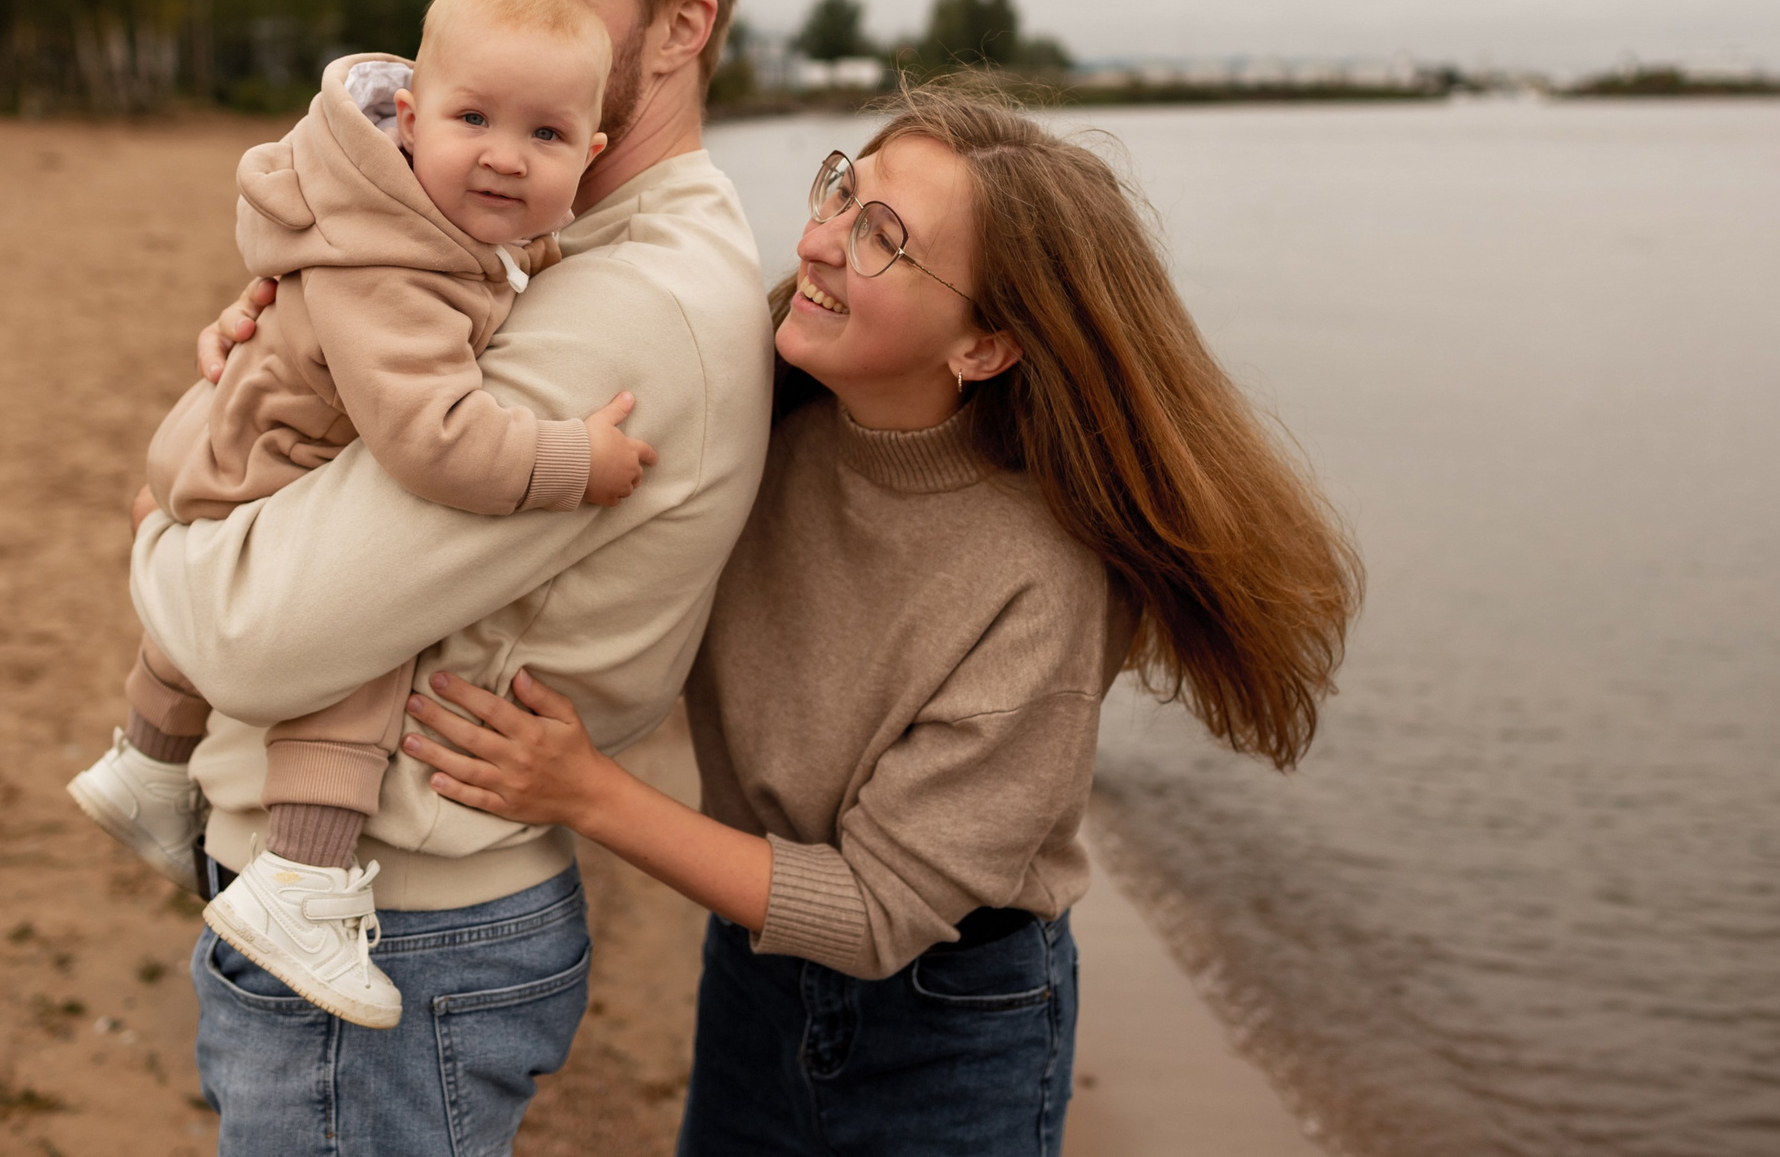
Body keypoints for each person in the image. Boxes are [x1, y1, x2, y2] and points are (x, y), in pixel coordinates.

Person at [399, 87, 1364, 1155]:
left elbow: (872, 913)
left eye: (882, 239)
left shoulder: (1039, 580)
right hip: (755, 968)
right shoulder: (757, 424)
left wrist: (584, 791)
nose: (816, 242)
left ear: (985, 346)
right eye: (840, 190)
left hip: (955, 1022)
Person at [135, 0, 774, 1156]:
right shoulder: (530, 244)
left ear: (677, 28)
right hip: (376, 902)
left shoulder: (634, 300)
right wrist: (271, 361)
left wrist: (159, 523)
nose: (509, 15)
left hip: (405, 918)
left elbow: (257, 629)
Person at [66, 0, 662, 1031]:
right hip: (257, 458)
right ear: (407, 113)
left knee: (342, 598)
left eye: (544, 138)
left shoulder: (394, 211)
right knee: (363, 631)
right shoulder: (392, 266)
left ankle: (147, 769)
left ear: (591, 152)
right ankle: (299, 883)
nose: (500, 155)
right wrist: (573, 463)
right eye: (472, 117)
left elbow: (476, 267)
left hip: (228, 438)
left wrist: (536, 254)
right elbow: (435, 444)